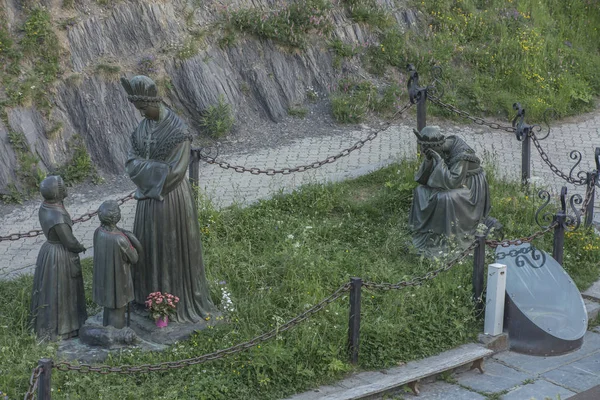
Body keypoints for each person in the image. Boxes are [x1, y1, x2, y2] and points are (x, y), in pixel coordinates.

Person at [120, 75, 218, 322]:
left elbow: (175, 171)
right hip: (148, 202)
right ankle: (147, 299)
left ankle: (172, 301)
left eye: (143, 108)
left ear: (155, 101)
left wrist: (147, 172)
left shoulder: (178, 131)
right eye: (138, 109)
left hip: (171, 200)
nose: (141, 114)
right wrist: (151, 170)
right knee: (148, 245)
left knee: (169, 247)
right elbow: (130, 161)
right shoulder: (143, 128)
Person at [409, 126, 491, 255]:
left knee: (445, 198)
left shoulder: (462, 154)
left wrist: (439, 160)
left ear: (438, 146)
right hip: (451, 181)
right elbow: (423, 179)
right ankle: (424, 235)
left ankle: (445, 240)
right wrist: (429, 160)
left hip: (469, 187)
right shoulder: (442, 148)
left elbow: (453, 182)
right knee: (421, 191)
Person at [31, 175, 87, 340]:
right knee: (61, 290)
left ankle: (46, 325)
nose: (65, 188)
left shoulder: (45, 206)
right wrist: (80, 247)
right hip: (59, 256)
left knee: (48, 290)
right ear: (57, 193)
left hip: (48, 252)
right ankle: (64, 328)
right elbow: (69, 242)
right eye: (62, 187)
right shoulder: (58, 217)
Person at [92, 200, 142, 329]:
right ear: (116, 217)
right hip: (119, 282)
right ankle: (117, 333)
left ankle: (107, 326)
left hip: (104, 279)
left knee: (108, 306)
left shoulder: (98, 232)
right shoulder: (120, 239)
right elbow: (134, 258)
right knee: (118, 307)